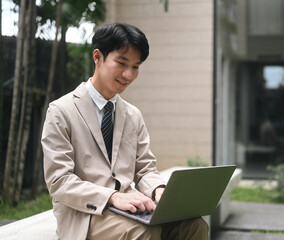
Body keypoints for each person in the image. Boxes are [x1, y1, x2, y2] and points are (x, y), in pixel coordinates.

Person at [41, 23, 209, 240]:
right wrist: (111, 197)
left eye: (136, 67)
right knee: (143, 232)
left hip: (131, 207)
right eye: (121, 63)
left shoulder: (133, 115)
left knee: (194, 225)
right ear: (98, 57)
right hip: (85, 214)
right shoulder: (61, 111)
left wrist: (159, 190)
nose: (128, 75)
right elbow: (59, 181)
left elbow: (144, 168)